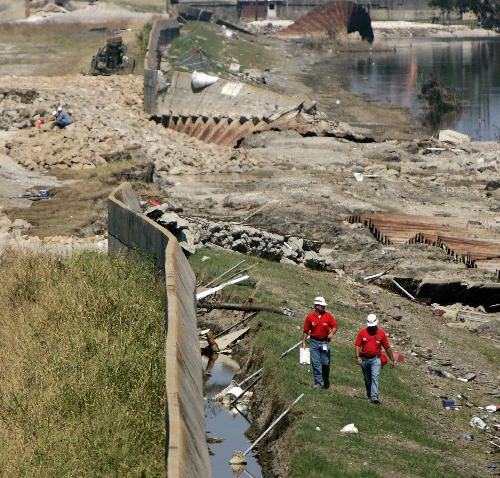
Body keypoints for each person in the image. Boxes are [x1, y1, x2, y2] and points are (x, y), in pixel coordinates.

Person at [354, 313, 395, 404]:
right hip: (364, 359)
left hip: (376, 359)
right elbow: (357, 345)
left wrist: (392, 359)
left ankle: (374, 397)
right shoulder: (362, 332)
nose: (372, 328)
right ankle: (369, 394)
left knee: (374, 376)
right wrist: (357, 357)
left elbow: (387, 347)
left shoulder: (381, 333)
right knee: (367, 379)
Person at [302, 296, 338, 389]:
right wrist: (304, 342)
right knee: (315, 363)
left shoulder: (328, 316)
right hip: (314, 342)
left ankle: (326, 381)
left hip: (325, 342)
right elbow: (306, 330)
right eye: (322, 306)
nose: (324, 307)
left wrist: (332, 333)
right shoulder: (309, 317)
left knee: (325, 362)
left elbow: (334, 326)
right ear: (317, 306)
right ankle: (318, 382)